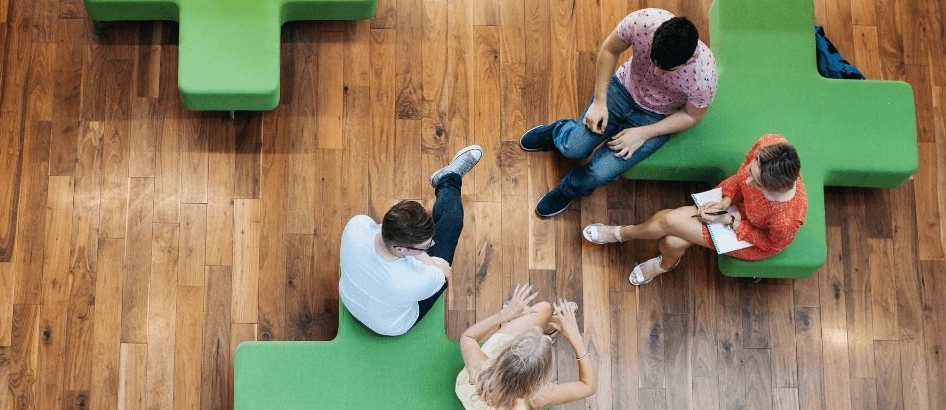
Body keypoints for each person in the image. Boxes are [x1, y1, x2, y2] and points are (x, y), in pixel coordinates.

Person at [521, 9, 718, 217]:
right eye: (653, 62)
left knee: (599, 173)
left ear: (688, 60)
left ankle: (568, 189)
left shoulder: (704, 76)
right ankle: (557, 131)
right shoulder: (643, 22)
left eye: (666, 70)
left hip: (657, 117)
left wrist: (643, 133)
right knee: (573, 149)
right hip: (623, 88)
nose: (655, 73)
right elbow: (610, 50)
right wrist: (599, 102)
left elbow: (692, 115)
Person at [583, 134, 806, 285]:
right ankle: (665, 263)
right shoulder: (771, 143)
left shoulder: (787, 218)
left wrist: (728, 221)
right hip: (732, 209)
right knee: (672, 242)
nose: (748, 182)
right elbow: (741, 177)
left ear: (775, 188)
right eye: (752, 172)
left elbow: (769, 244)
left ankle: (622, 233)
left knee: (668, 221)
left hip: (749, 237)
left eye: (757, 183)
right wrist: (726, 203)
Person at [338, 145, 483, 336]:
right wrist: (433, 263)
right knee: (451, 222)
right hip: (393, 325)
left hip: (351, 299)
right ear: (400, 249)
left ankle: (446, 180)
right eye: (425, 246)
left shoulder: (356, 226)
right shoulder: (416, 282)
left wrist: (421, 253)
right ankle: (448, 178)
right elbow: (441, 275)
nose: (431, 245)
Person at [457, 283, 597, 409]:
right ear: (542, 376)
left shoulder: (479, 371)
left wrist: (502, 315)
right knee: (545, 308)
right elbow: (588, 386)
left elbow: (468, 337)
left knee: (540, 311)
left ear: (503, 355)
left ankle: (517, 323)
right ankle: (550, 328)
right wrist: (576, 338)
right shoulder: (541, 397)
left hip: (475, 396)